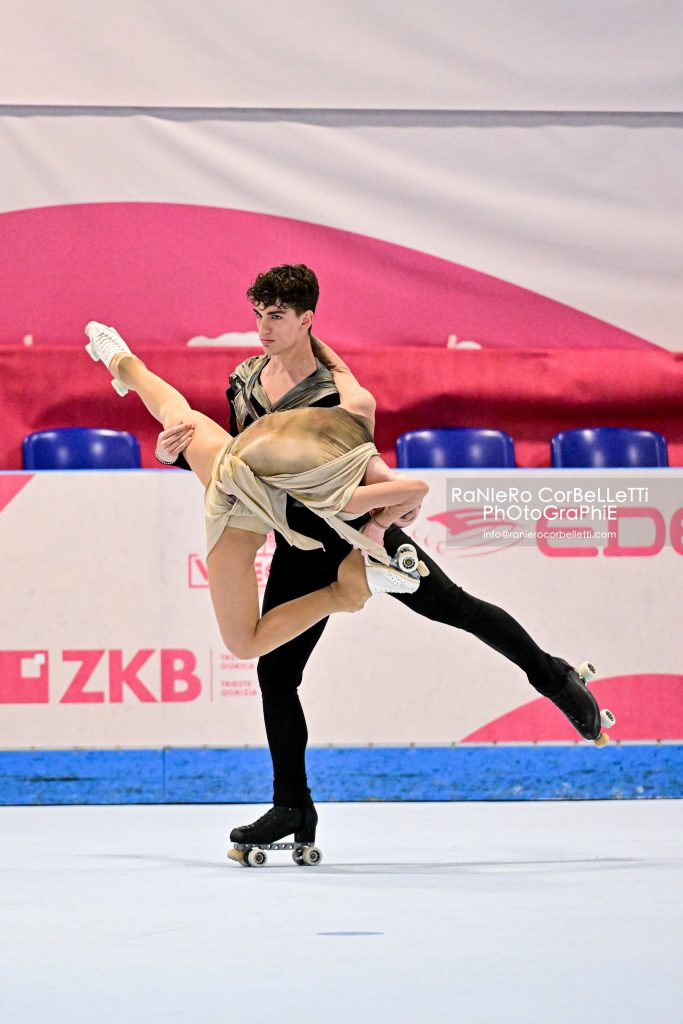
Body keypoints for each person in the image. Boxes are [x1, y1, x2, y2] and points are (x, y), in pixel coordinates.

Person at [156, 263, 611, 853]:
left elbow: (373, 472)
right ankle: (292, 807)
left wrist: (378, 525)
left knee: (457, 608)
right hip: (299, 547)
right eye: (258, 315)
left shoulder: (339, 393)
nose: (263, 328)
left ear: (306, 320)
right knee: (276, 674)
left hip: (356, 538)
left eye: (276, 316)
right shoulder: (243, 380)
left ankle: (554, 677)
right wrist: (175, 451)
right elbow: (239, 468)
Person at [84, 320, 431, 664]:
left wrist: (304, 333)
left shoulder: (356, 409)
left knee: (172, 410)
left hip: (233, 476)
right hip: (241, 492)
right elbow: (415, 488)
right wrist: (380, 523)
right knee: (245, 643)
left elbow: (338, 367)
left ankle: (118, 357)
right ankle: (343, 592)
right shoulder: (346, 458)